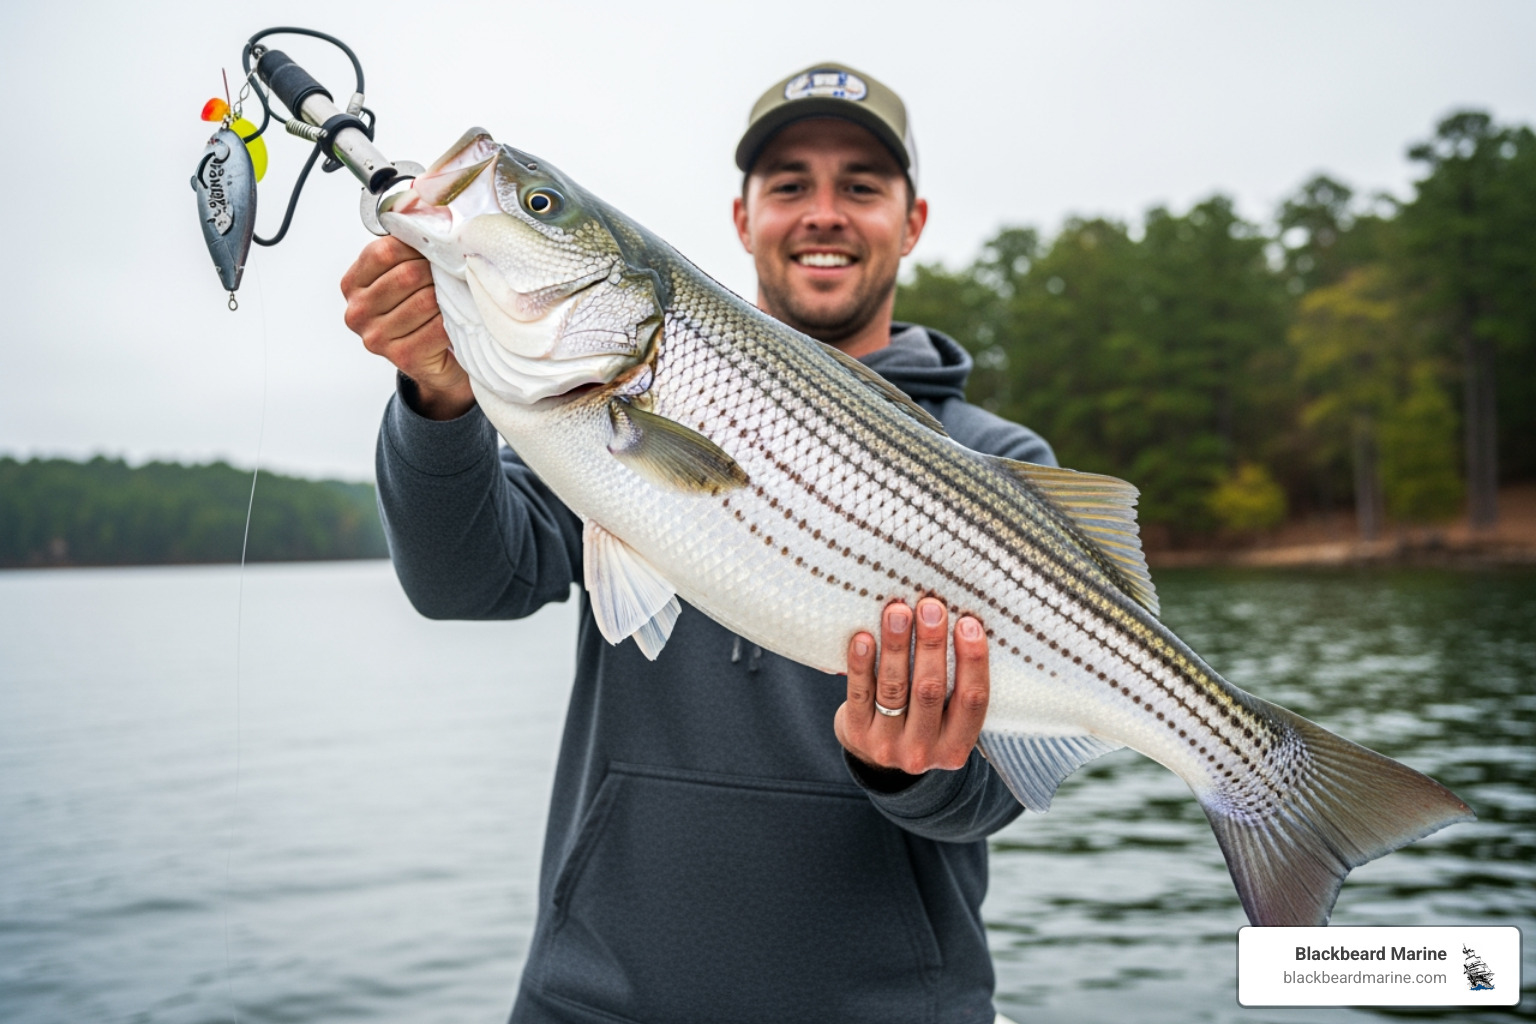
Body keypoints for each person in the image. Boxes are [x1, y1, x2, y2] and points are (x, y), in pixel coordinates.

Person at [341, 62, 1055, 1024]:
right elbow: (467, 580)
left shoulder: (993, 461)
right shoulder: (582, 420)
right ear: (743, 216)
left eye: (861, 186)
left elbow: (1002, 783)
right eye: (790, 184)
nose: (824, 212)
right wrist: (436, 397)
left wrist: (910, 768)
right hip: (594, 998)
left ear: (911, 221)